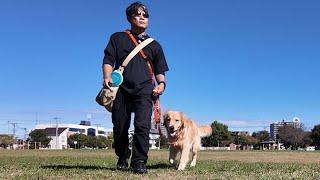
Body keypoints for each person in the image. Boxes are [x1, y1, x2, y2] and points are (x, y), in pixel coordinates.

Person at [102, 2, 169, 174]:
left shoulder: (155, 45)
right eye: (138, 14)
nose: (142, 17)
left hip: (145, 89)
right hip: (121, 89)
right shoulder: (117, 37)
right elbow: (108, 59)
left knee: (142, 126)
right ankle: (123, 157)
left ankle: (139, 161)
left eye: (145, 15)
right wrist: (107, 76)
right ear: (129, 18)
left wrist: (161, 84)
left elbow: (160, 70)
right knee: (120, 126)